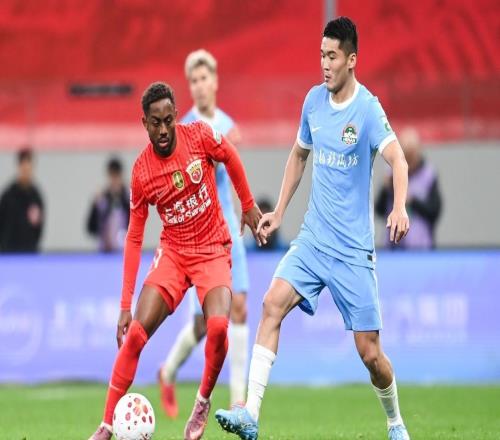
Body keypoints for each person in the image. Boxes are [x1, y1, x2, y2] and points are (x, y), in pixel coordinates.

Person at [215, 17, 411, 440]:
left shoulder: (368, 109)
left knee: (370, 354)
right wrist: (280, 210)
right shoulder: (313, 102)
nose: (324, 64)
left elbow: (398, 159)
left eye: (332, 56)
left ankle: (395, 422)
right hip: (313, 240)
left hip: (352, 251)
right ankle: (250, 413)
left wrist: (399, 206)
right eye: (321, 55)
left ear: (351, 60)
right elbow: (299, 156)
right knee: (271, 303)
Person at [88, 82, 262, 440]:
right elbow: (134, 237)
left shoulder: (199, 136)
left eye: (169, 120)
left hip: (212, 247)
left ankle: (201, 402)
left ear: (176, 116)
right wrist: (125, 305)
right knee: (135, 336)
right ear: (144, 123)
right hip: (174, 253)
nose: (164, 129)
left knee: (218, 327)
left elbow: (229, 154)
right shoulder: (142, 173)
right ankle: (106, 426)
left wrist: (247, 204)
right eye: (156, 123)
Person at [158, 49, 251, 418]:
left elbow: (235, 172)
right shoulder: (182, 129)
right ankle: (168, 371)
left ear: (215, 82)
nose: (198, 85)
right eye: (193, 80)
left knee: (239, 309)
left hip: (230, 230)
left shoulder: (228, 125)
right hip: (200, 237)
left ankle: (239, 401)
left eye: (203, 78)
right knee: (203, 324)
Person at [376, 127, 442, 249]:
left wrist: (412, 201)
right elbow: (379, 210)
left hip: (421, 248)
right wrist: (386, 189)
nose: (408, 162)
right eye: (405, 156)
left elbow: (434, 211)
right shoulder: (391, 173)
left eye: (411, 156)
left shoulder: (428, 175)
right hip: (393, 248)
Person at [0, 148, 44, 252]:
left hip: (30, 250)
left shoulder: (36, 196)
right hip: (9, 250)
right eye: (24, 166)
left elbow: (39, 226)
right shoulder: (8, 195)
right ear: (19, 166)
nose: (26, 170)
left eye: (29, 166)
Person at [86, 157, 130, 252]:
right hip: (105, 250)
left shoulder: (128, 198)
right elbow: (90, 228)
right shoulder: (101, 199)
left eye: (116, 176)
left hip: (125, 250)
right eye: (112, 176)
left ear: (121, 176)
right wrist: (95, 206)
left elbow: (136, 225)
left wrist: (128, 201)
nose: (114, 180)